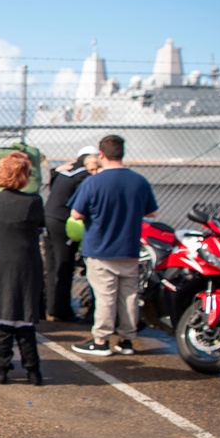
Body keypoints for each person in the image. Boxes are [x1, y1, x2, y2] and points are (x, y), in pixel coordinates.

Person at [70, 135, 158, 357]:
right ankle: (127, 339)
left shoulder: (93, 182)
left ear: (101, 155)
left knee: (105, 296)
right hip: (129, 247)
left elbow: (76, 213)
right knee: (128, 296)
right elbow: (152, 212)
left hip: (100, 247)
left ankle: (101, 339)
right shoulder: (139, 181)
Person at [0, 152, 46, 385]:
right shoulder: (34, 202)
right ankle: (33, 372)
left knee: (3, 319)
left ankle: (1, 370)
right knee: (25, 320)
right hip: (26, 262)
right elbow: (41, 225)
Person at [44, 146, 100, 322]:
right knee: (65, 265)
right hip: (63, 222)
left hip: (49, 218)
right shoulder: (85, 176)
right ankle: (62, 310)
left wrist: (54, 171)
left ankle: (51, 307)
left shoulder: (66, 171)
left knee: (52, 266)